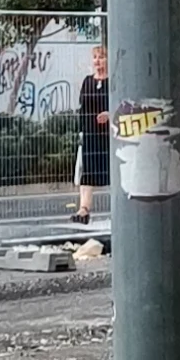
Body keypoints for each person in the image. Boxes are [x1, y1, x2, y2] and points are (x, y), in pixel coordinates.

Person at [74, 43, 109, 225]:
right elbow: (82, 107)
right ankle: (83, 209)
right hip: (90, 134)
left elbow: (122, 105)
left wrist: (110, 114)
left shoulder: (113, 82)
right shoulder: (87, 81)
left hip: (109, 136)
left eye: (101, 57)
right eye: (95, 57)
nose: (97, 61)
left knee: (113, 171)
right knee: (86, 173)